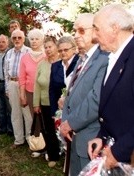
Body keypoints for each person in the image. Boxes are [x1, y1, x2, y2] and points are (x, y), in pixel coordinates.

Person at [59, 13, 109, 175]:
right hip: (76, 135)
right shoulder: (83, 57)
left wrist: (70, 123)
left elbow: (96, 100)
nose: (76, 35)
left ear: (95, 31)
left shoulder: (104, 58)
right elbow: (73, 92)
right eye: (75, 31)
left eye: (81, 31)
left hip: (91, 137)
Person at [88, 4, 134, 169]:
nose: (93, 36)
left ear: (115, 28)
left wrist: (119, 151)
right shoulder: (114, 55)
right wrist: (102, 136)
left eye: (97, 29)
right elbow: (115, 104)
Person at [33, 36, 61, 167]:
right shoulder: (41, 64)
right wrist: (36, 103)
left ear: (56, 47)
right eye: (46, 47)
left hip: (60, 103)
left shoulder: (63, 63)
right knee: (48, 130)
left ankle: (65, 153)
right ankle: (53, 155)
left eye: (50, 46)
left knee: (61, 129)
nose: (48, 49)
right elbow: (36, 85)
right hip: (45, 102)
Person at [4, 29, 31, 148]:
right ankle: (19, 140)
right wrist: (7, 88)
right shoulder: (9, 53)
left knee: (27, 114)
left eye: (19, 37)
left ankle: (30, 140)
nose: (17, 40)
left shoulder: (29, 52)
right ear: (11, 39)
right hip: (12, 83)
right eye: (14, 38)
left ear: (24, 39)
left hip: (24, 85)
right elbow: (6, 72)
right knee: (15, 113)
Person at [49, 36, 79, 117]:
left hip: (77, 110)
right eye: (60, 50)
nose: (63, 53)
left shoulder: (80, 63)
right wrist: (54, 112)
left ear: (73, 49)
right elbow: (52, 91)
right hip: (60, 110)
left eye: (66, 50)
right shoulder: (55, 66)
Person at [19, 28, 45, 117]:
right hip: (30, 92)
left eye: (37, 39)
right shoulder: (25, 57)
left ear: (41, 41)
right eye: (32, 39)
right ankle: (35, 132)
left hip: (45, 93)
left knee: (46, 118)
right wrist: (22, 95)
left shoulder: (46, 56)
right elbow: (22, 78)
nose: (34, 41)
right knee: (35, 118)